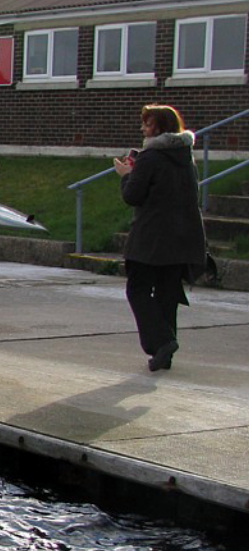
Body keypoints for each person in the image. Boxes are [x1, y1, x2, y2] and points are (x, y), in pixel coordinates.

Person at [112, 104, 207, 372]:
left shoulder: (150, 158)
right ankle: (166, 354)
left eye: (147, 123)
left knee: (138, 289)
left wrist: (126, 175)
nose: (143, 128)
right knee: (167, 293)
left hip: (151, 238)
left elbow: (133, 196)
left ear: (159, 128)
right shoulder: (186, 157)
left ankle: (162, 341)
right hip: (182, 238)